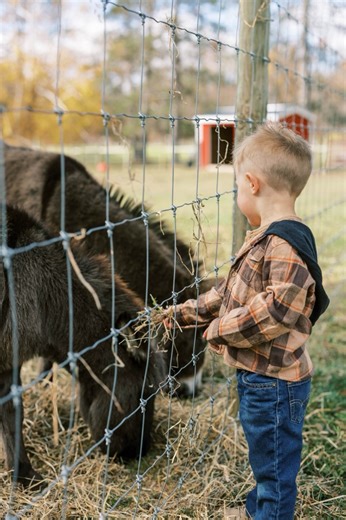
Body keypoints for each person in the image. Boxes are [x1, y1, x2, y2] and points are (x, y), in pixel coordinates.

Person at [162, 123, 330, 519]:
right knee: (266, 454)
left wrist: (218, 329)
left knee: (274, 465)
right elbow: (230, 294)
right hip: (261, 376)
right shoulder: (265, 237)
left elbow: (276, 311)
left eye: (237, 185)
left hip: (275, 383)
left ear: (251, 183)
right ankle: (260, 509)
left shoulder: (284, 246)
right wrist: (184, 312)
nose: (238, 192)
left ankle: (270, 514)